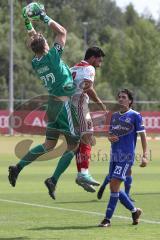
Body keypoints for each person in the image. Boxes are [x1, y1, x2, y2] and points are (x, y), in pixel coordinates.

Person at [8, 2, 80, 200]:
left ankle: (17, 167)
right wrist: (43, 17)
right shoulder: (52, 58)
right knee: (74, 145)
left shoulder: (36, 62)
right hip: (64, 104)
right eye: (47, 43)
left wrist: (26, 21)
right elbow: (62, 32)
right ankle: (53, 179)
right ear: (46, 46)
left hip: (52, 105)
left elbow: (35, 39)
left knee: (49, 145)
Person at [98, 89, 148, 227]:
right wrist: (110, 137)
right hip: (114, 155)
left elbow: (143, 136)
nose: (120, 99)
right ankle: (134, 211)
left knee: (114, 185)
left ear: (130, 101)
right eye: (119, 97)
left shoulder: (135, 116)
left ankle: (107, 219)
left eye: (123, 97)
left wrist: (145, 156)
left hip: (126, 156)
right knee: (114, 188)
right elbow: (111, 134)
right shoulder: (114, 116)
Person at [70, 47, 106, 192]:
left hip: (69, 106)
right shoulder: (89, 68)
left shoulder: (73, 67)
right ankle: (83, 173)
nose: (100, 63)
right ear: (92, 58)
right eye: (99, 60)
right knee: (88, 136)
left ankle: (81, 174)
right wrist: (100, 103)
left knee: (79, 142)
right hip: (80, 104)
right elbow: (87, 87)